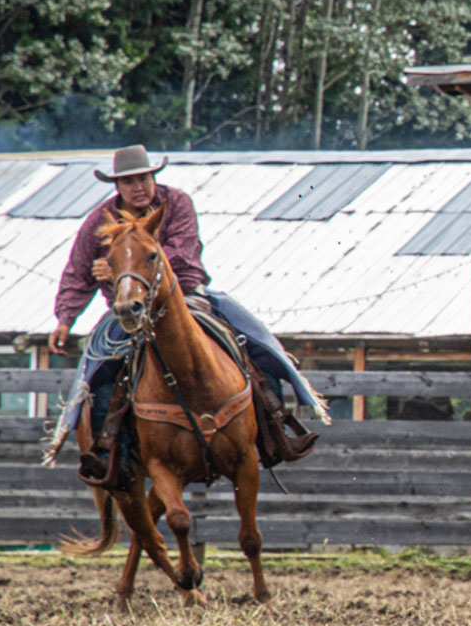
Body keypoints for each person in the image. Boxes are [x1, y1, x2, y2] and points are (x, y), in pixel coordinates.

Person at [43, 145, 327, 481]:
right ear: (116, 186)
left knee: (255, 342)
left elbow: (182, 250)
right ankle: (107, 452)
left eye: (143, 178)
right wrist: (65, 318)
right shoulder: (99, 221)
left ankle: (274, 432)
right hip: (130, 310)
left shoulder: (175, 204)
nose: (138, 187)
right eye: (129, 181)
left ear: (153, 177)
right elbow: (78, 271)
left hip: (187, 296)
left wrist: (122, 267)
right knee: (100, 367)